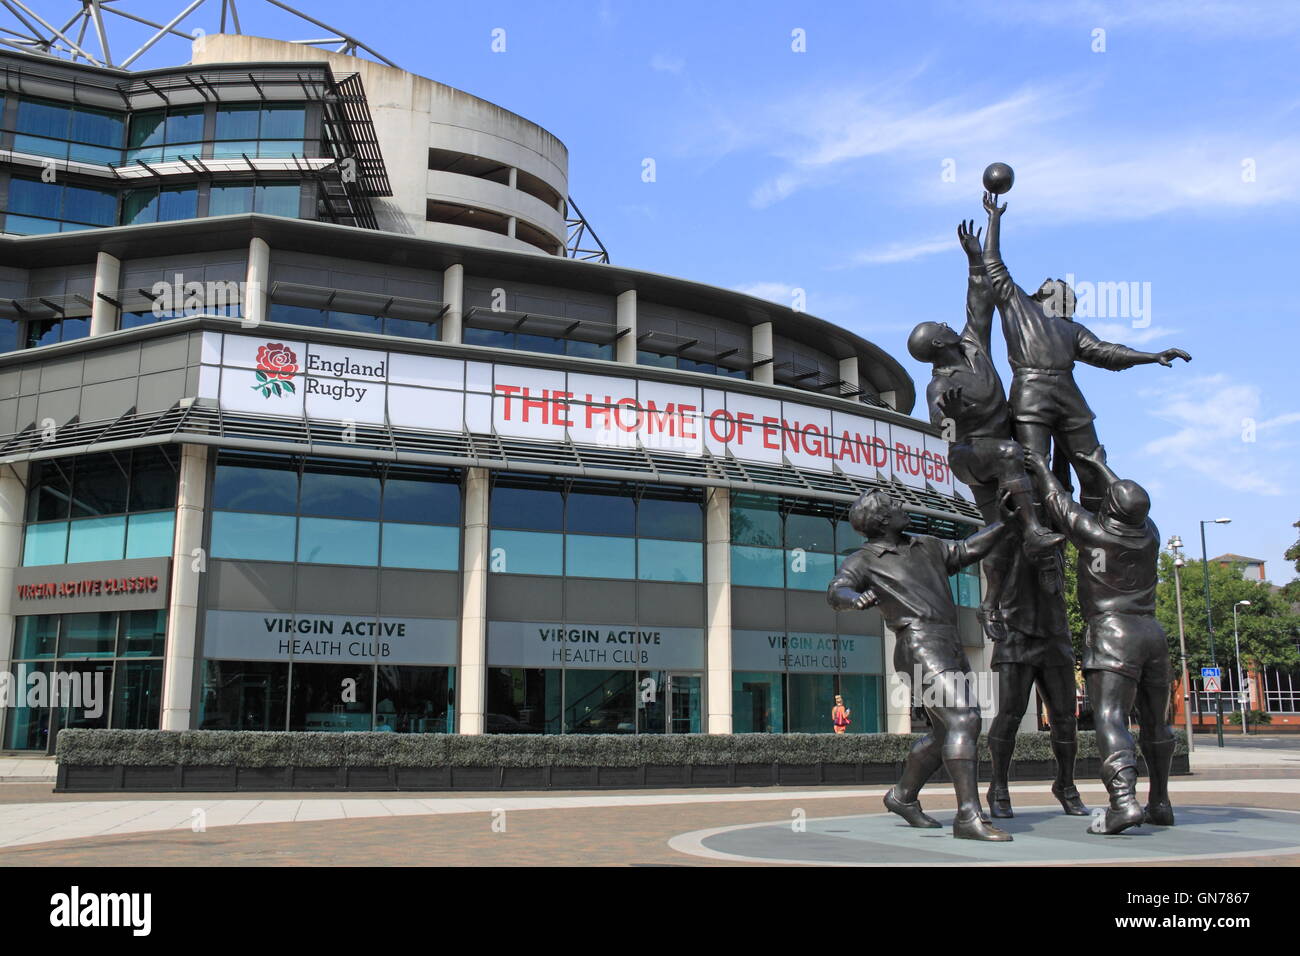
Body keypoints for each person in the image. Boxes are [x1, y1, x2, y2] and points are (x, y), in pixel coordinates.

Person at [908, 219, 1084, 819]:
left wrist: (978, 250)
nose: (953, 328)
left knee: (1019, 507)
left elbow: (979, 297)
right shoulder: (942, 381)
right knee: (1013, 459)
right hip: (973, 457)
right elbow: (939, 423)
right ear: (935, 348)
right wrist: (947, 418)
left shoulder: (976, 347)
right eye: (943, 332)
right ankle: (1032, 528)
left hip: (1007, 466)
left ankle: (1031, 529)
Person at [980, 190, 1191, 514]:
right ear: (1046, 295)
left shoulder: (1069, 328)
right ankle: (1036, 532)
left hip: (1059, 393)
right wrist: (994, 219)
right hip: (1036, 391)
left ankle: (1100, 523)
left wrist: (1152, 356)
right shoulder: (1019, 305)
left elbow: (1107, 353)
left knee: (1091, 463)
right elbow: (992, 263)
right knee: (1036, 465)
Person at [827, 489, 1013, 841]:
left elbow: (967, 549)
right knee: (965, 718)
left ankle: (902, 796)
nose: (902, 506)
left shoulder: (926, 545)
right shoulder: (864, 560)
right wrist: (855, 599)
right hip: (917, 645)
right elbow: (836, 590)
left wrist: (1003, 523)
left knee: (946, 731)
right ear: (882, 520)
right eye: (894, 505)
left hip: (950, 642)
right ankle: (968, 817)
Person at [1023, 448, 1176, 834]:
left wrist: (1040, 465)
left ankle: (1123, 803)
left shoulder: (1094, 533)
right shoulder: (1150, 535)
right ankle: (1160, 801)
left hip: (1113, 633)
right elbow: (1130, 502)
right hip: (1152, 633)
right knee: (1157, 723)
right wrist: (1099, 465)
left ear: (1111, 509)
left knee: (1111, 716)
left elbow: (1059, 502)